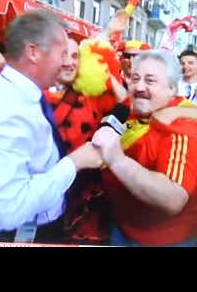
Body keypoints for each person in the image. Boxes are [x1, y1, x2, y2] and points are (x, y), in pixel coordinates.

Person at [0, 11, 103, 244]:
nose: (66, 63)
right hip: (21, 234)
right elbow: (11, 208)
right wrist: (75, 163)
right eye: (62, 53)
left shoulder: (17, 91)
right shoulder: (10, 107)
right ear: (33, 52)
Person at [92, 51, 197, 246]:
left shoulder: (184, 127)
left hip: (162, 240)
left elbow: (172, 198)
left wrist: (115, 158)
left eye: (150, 81)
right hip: (121, 229)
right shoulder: (133, 105)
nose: (139, 87)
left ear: (171, 88)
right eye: (135, 78)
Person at [44, 38, 128, 245]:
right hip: (45, 191)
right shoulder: (33, 94)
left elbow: (125, 103)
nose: (69, 62)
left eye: (75, 56)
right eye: (63, 55)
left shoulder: (92, 95)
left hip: (85, 194)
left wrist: (103, 70)